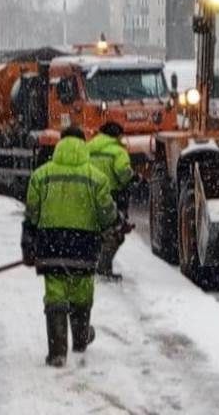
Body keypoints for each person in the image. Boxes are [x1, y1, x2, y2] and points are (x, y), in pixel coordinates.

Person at [22, 127, 117, 368]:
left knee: (55, 295)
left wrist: (29, 242)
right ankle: (81, 340)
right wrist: (112, 224)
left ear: (60, 144)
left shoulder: (41, 175)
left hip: (50, 246)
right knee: (82, 294)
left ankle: (57, 352)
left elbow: (32, 213)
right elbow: (107, 214)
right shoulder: (96, 179)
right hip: (84, 247)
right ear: (84, 145)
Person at [87, 122, 135, 280]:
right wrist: (132, 179)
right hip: (112, 195)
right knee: (116, 233)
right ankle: (104, 266)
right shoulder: (118, 152)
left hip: (89, 194)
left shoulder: (87, 148)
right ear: (117, 135)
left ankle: (88, 263)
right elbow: (123, 172)